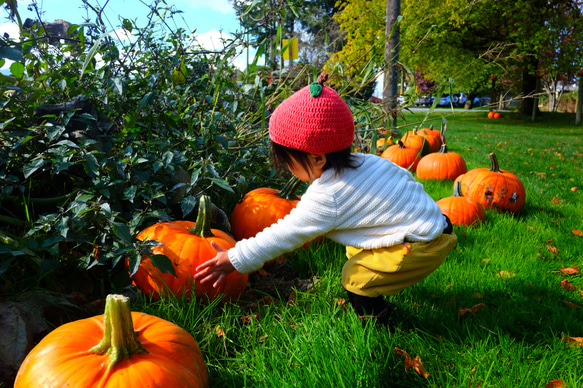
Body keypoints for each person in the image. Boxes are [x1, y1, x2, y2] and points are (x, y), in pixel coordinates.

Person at [195, 72, 457, 326]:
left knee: (354, 277)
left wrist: (235, 258)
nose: (287, 168)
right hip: (435, 225)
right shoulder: (367, 162)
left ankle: (376, 323)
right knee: (355, 250)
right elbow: (402, 185)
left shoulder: (329, 196)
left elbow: (282, 235)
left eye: (288, 161)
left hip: (420, 246)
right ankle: (379, 294)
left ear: (318, 159)